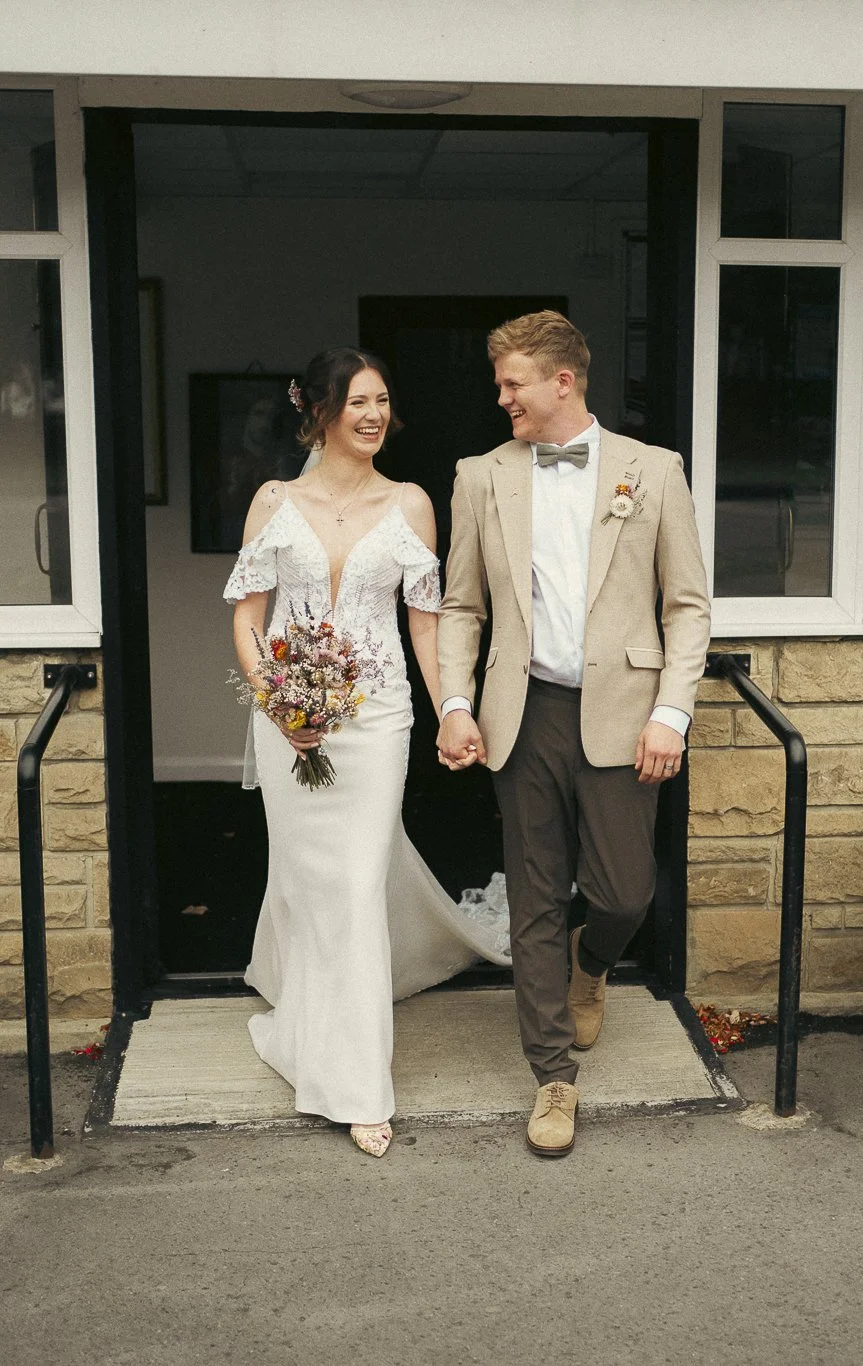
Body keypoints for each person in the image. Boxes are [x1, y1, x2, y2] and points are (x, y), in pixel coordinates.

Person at [436, 311, 711, 1158]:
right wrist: (453, 702)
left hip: (625, 716)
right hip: (523, 713)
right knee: (536, 898)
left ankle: (593, 968)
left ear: (563, 382)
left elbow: (685, 605)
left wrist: (670, 713)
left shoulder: (652, 470)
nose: (501, 398)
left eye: (512, 383)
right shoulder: (480, 476)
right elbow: (462, 604)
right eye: (498, 385)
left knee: (628, 891)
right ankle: (552, 1076)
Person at [224, 347, 509, 1158]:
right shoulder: (274, 502)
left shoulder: (411, 504)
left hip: (379, 716)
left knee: (351, 882)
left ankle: (354, 1081)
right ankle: (304, 1017)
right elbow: (248, 619)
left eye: (383, 400)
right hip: (289, 720)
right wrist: (278, 703)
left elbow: (425, 622)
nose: (374, 414)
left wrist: (453, 708)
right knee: (309, 878)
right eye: (357, 401)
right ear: (318, 410)